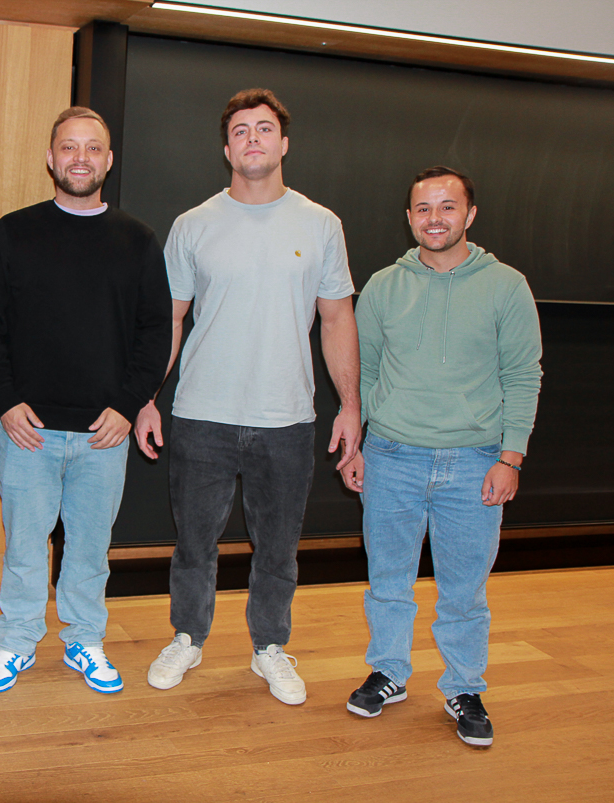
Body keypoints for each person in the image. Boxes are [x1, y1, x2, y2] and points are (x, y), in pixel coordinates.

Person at [138, 88, 361, 704]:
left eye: (264, 129)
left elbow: (338, 319)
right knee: (194, 545)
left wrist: (351, 405)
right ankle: (188, 637)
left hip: (286, 419)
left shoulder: (321, 224)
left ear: (283, 143)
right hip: (201, 416)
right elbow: (170, 319)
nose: (252, 138)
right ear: (227, 148)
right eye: (240, 130)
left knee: (278, 549)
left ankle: (270, 648)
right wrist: (146, 396)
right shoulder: (194, 225)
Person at [340, 166, 542, 747]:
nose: (435, 218)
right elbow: (364, 371)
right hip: (391, 457)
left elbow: (522, 375)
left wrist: (511, 458)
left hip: (475, 462)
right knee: (387, 581)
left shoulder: (506, 286)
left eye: (447, 207)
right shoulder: (383, 286)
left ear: (469, 214)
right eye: (424, 208)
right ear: (409, 217)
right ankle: (389, 672)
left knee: (465, 590)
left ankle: (464, 687)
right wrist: (358, 446)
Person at [0, 107, 171, 695]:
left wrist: (129, 405)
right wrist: (5, 400)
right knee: (24, 548)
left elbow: (155, 333)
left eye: (91, 148)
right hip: (27, 431)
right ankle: (17, 642)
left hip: (104, 434)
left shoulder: (138, 240)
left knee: (89, 551)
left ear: (108, 160)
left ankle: (85, 640)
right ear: (50, 158)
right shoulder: (12, 233)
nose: (79, 157)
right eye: (68, 146)